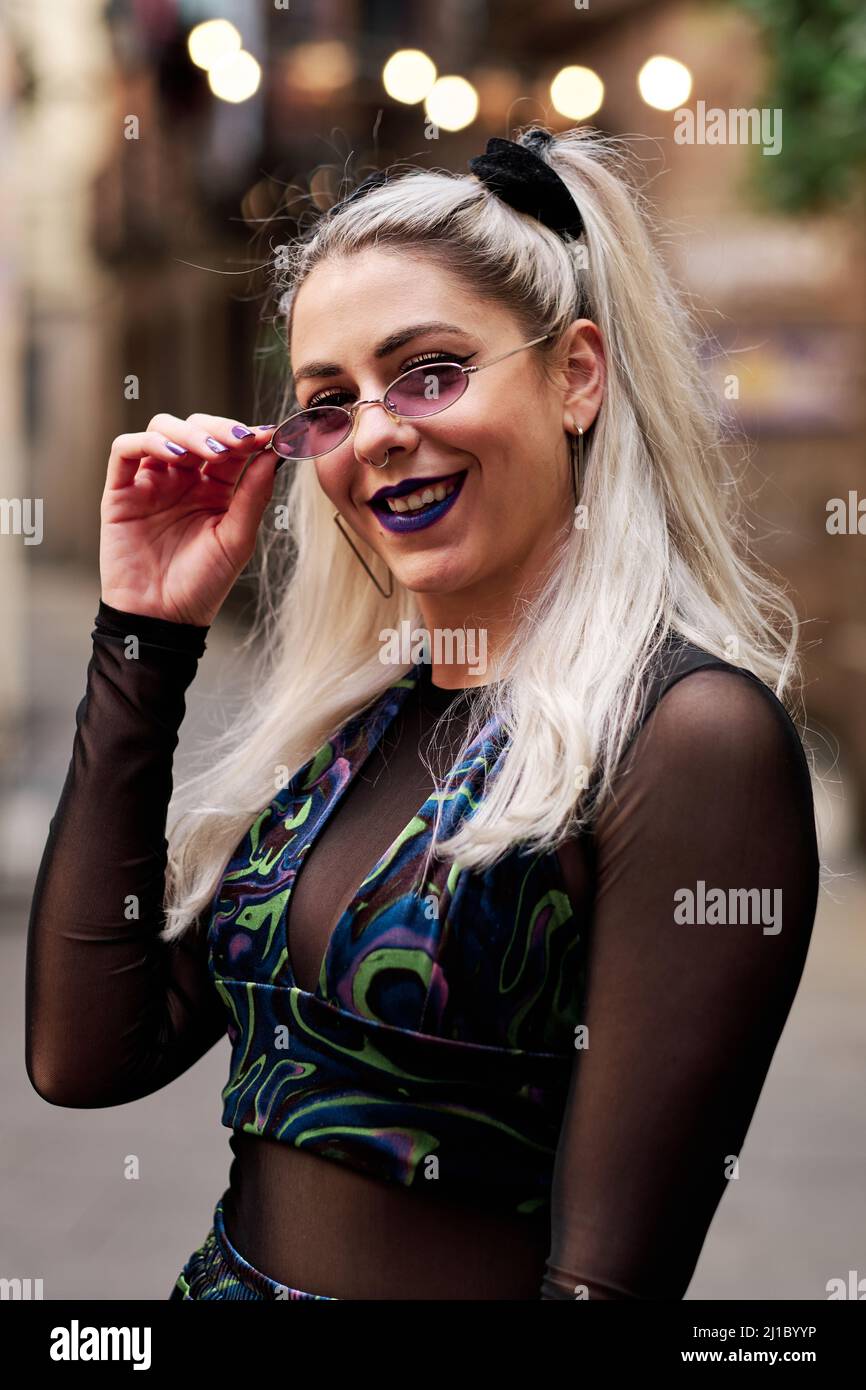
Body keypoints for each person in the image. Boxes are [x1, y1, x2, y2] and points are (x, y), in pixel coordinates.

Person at [25, 126, 819, 1301]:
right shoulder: (356, 730)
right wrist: (143, 634)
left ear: (576, 375)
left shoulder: (686, 739)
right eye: (328, 403)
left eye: (430, 370)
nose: (380, 430)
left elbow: (605, 1288)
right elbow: (86, 1054)